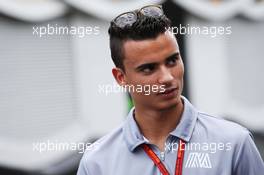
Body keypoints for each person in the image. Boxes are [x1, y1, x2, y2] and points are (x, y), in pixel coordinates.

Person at [77, 5, 264, 175]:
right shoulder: (97, 163)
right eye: (149, 68)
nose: (167, 77)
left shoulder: (234, 143)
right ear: (121, 78)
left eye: (172, 61)